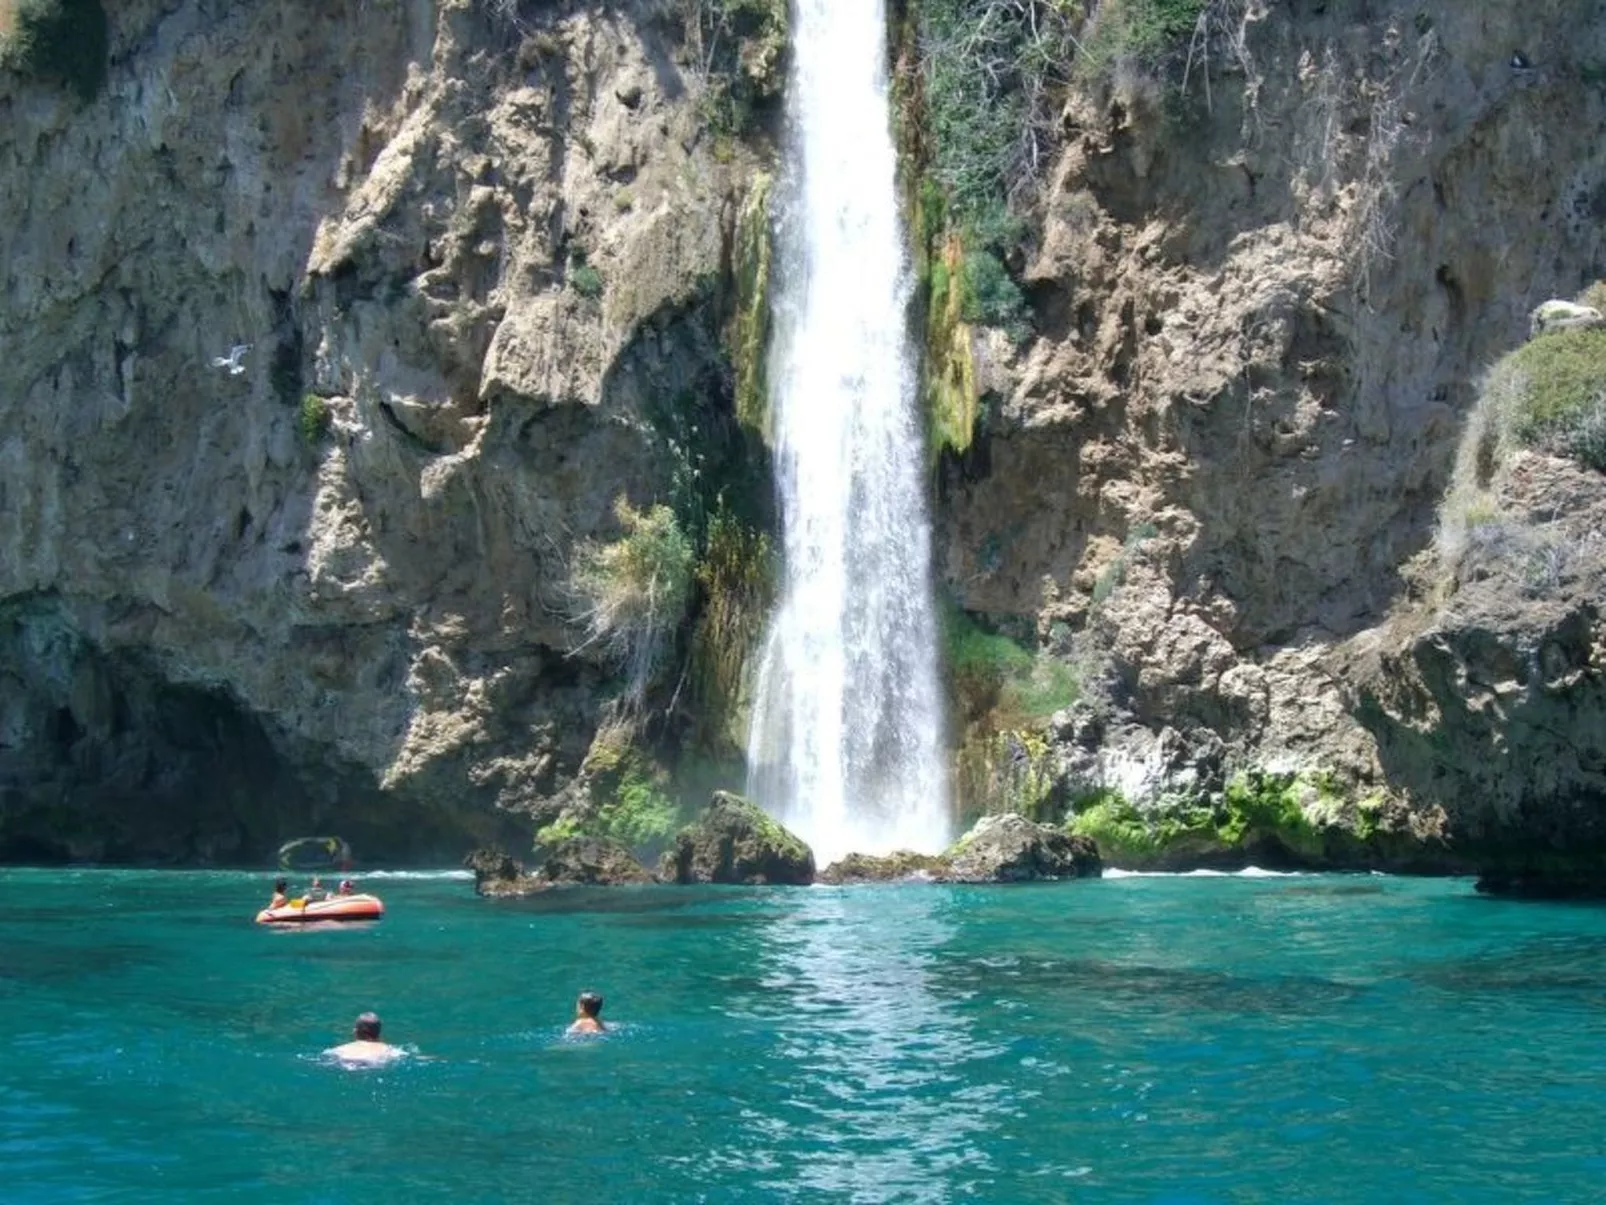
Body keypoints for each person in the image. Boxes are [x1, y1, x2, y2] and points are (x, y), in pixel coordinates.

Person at [326, 1012, 404, 1065]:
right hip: (374, 1061)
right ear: (379, 1032)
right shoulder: (389, 1050)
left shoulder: (340, 1049)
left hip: (348, 1061)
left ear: (355, 1032)